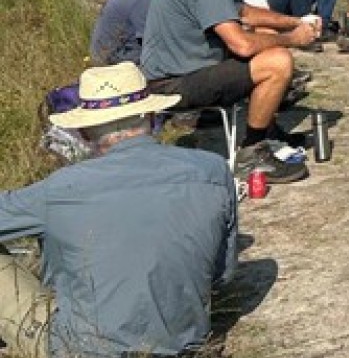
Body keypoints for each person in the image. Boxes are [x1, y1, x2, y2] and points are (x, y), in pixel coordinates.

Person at [0, 62, 238, 358]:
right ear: (151, 118)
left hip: (82, 348)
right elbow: (221, 275)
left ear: (84, 133)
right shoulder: (213, 169)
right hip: (186, 342)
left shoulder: (60, 189)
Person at [141, 0, 318, 184]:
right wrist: (293, 39)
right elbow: (242, 45)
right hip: (172, 83)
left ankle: (267, 133)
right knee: (276, 61)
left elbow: (244, 12)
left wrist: (294, 21)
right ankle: (252, 154)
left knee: (267, 40)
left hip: (188, 71)